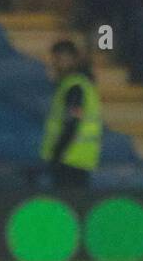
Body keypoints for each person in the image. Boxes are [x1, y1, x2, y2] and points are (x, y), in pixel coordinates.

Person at [40, 40, 103, 189]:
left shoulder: (74, 87)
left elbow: (72, 123)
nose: (57, 64)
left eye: (61, 59)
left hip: (70, 158)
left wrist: (57, 154)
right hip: (78, 158)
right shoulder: (76, 84)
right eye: (55, 59)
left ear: (74, 59)